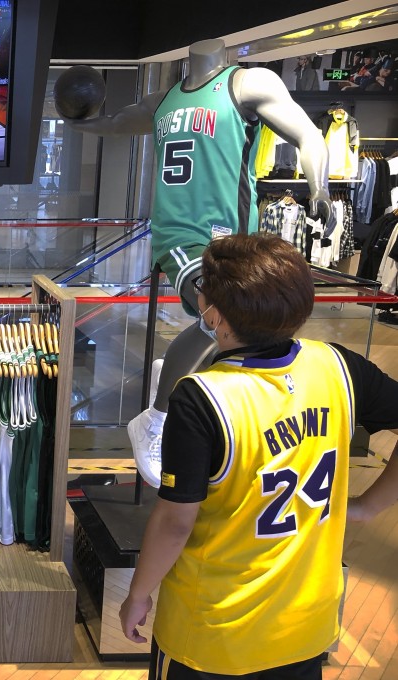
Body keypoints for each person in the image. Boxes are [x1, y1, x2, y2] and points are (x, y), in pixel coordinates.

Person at [118, 233, 398, 679]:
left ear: (220, 317)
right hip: (306, 624)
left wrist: (138, 593)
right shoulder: (338, 366)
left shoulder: (201, 396)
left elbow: (175, 522)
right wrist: (367, 507)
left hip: (213, 630)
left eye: (203, 294)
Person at [63, 39, 336, 487]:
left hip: (234, 238)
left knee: (251, 324)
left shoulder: (248, 83)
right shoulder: (163, 100)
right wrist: (76, 118)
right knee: (220, 315)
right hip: (178, 234)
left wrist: (320, 187)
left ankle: (187, 382)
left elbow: (308, 134)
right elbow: (111, 123)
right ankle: (156, 417)